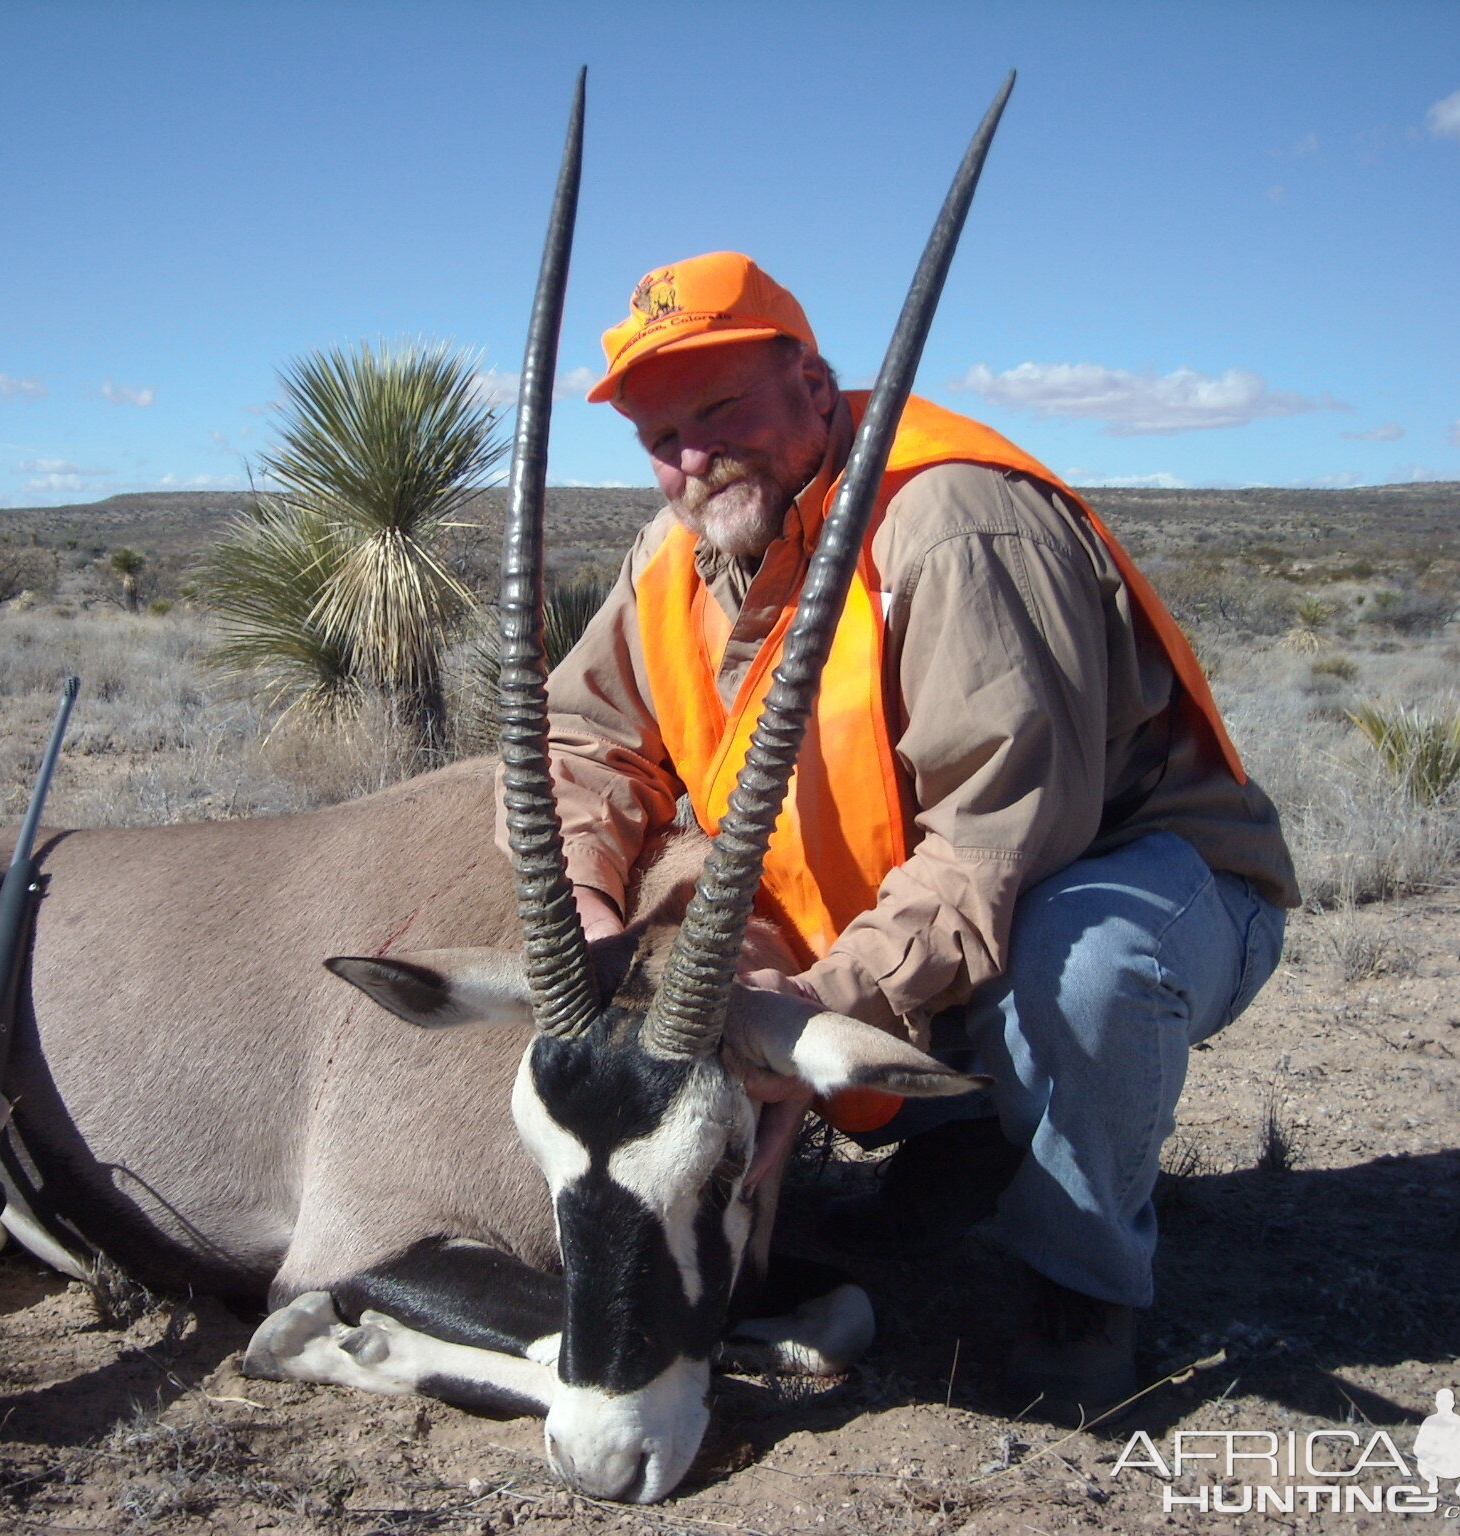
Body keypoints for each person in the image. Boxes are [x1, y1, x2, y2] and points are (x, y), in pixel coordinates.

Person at [535, 251, 1299, 1421]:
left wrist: (808, 1013)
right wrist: (590, 915)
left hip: (1142, 880)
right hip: (944, 897)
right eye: (659, 436)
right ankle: (968, 1146)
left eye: (720, 407)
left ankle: (1081, 1283)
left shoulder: (951, 527)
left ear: (812, 378)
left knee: (1076, 963)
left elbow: (998, 846)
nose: (691, 459)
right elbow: (582, 741)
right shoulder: (676, 553)